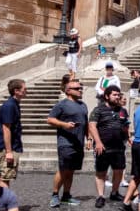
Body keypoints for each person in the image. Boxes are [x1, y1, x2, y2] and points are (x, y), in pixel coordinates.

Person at [46, 78, 88, 208]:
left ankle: (66, 195)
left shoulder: (83, 105)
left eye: (81, 88)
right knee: (63, 169)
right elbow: (50, 119)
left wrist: (89, 139)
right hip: (65, 142)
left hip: (78, 142)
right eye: (77, 88)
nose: (80, 90)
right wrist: (64, 124)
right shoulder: (61, 105)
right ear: (68, 90)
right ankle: (54, 195)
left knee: (71, 170)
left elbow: (86, 124)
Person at [89, 85, 130, 208]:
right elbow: (92, 126)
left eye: (118, 95)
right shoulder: (98, 110)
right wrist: (98, 142)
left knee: (118, 171)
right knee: (101, 172)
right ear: (107, 96)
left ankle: (114, 192)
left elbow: (125, 126)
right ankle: (100, 196)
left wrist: (127, 137)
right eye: (114, 95)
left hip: (118, 147)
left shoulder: (122, 110)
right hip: (103, 147)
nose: (117, 97)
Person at [0, 79, 25, 186]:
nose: (26, 91)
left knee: (7, 176)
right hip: (6, 148)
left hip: (12, 146)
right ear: (16, 91)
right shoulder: (10, 105)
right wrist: (9, 151)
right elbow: (6, 129)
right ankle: (3, 202)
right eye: (24, 89)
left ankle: (3, 201)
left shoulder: (14, 104)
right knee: (4, 177)